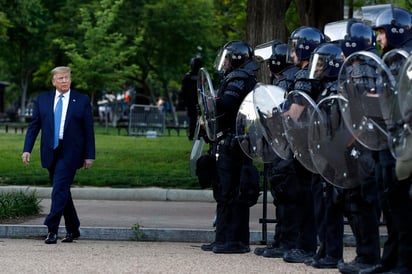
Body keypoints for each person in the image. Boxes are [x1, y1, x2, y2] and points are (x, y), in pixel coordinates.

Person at [360, 6, 412, 274]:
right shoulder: (391, 58)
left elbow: (404, 101)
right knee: (390, 205)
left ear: (394, 30)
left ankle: (405, 263)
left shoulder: (407, 58)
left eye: (381, 32)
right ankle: (390, 261)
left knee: (402, 207)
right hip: (386, 140)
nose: (378, 38)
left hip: (403, 141)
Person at [21, 66, 96, 244]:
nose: (64, 81)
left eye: (67, 78)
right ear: (53, 81)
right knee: (63, 191)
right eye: (61, 78)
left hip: (71, 151)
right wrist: (27, 149)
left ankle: (51, 228)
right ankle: (73, 228)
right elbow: (34, 127)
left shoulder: (82, 100)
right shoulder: (43, 100)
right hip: (50, 150)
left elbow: (88, 130)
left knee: (59, 189)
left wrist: (89, 155)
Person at [200, 40, 259, 254]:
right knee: (227, 191)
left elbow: (225, 105)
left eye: (226, 58)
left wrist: (209, 102)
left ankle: (232, 241)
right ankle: (225, 238)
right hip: (236, 141)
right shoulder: (243, 77)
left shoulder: (238, 79)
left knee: (230, 191)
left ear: (235, 59)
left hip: (233, 143)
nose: (223, 63)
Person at [280, 26, 325, 264]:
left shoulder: (305, 77)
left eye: (296, 47)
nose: (292, 52)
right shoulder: (316, 74)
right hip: (312, 143)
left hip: (305, 144)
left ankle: (305, 245)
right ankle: (306, 244)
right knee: (308, 195)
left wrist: (275, 116)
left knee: (305, 196)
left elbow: (294, 113)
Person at [253, 40, 301, 259]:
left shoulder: (287, 80)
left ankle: (287, 241)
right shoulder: (284, 77)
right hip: (281, 144)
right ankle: (280, 240)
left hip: (286, 146)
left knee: (286, 196)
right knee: (281, 196)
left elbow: (281, 112)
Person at [181, 56, 203, 140]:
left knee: (193, 119)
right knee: (196, 118)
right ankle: (196, 134)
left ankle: (193, 134)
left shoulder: (189, 76)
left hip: (192, 101)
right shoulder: (200, 76)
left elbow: (183, 90)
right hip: (196, 100)